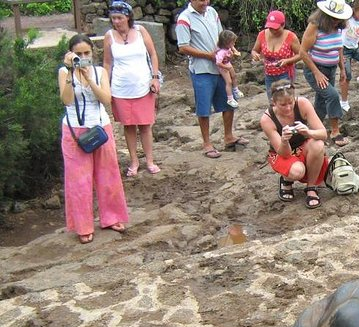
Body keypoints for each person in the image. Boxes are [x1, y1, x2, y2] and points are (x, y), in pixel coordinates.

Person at [58, 34, 129, 244]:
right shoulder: (64, 72)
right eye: (78, 54)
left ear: (92, 52)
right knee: (78, 180)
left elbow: (106, 99)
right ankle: (83, 225)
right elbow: (66, 100)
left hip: (99, 126)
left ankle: (112, 217)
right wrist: (72, 72)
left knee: (109, 174)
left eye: (86, 53)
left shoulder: (100, 72)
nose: (83, 57)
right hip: (74, 130)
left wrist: (89, 78)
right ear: (70, 54)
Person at [176, 0, 248, 158]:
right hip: (202, 70)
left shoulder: (212, 12)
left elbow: (222, 37)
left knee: (229, 101)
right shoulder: (184, 18)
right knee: (204, 107)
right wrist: (210, 56)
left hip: (221, 66)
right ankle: (207, 143)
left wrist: (231, 49)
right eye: (201, 0)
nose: (205, 2)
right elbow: (183, 47)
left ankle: (229, 136)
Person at [103, 0, 162, 177]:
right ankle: (134, 161)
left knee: (145, 125)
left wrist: (155, 77)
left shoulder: (141, 31)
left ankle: (150, 160)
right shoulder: (109, 36)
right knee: (128, 126)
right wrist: (105, 84)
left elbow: (152, 54)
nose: (116, 21)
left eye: (119, 18)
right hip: (120, 89)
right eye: (113, 18)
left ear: (128, 17)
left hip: (143, 85)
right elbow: (107, 62)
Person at [260, 80, 330, 209]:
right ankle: (286, 180)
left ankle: (311, 187)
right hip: (281, 152)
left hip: (302, 146)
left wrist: (308, 132)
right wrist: (284, 140)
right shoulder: (267, 119)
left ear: (294, 98)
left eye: (290, 103)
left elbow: (323, 134)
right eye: (282, 105)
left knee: (318, 144)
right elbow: (283, 153)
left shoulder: (302, 104)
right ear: (273, 103)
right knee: (298, 171)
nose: (288, 108)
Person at [299, 0, 353, 147]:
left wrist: (342, 68)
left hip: (331, 69)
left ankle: (314, 130)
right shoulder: (315, 26)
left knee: (322, 100)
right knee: (332, 95)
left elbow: (339, 48)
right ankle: (335, 131)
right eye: (333, 18)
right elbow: (302, 52)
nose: (336, 21)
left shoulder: (339, 28)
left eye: (339, 19)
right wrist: (316, 73)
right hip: (315, 69)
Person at [250, 10, 302, 101]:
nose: (273, 31)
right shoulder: (262, 35)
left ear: (283, 25)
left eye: (276, 28)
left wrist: (288, 61)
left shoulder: (291, 37)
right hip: (269, 74)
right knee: (272, 102)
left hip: (285, 74)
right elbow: (254, 50)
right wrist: (255, 55)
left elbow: (301, 54)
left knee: (285, 101)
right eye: (270, 28)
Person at [215, 29, 244, 108]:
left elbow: (233, 48)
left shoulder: (229, 47)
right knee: (229, 82)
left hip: (227, 64)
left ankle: (236, 90)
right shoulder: (221, 52)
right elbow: (218, 63)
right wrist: (225, 67)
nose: (234, 44)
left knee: (234, 76)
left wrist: (236, 52)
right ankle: (230, 99)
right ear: (226, 43)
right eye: (232, 42)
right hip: (223, 66)